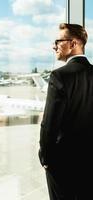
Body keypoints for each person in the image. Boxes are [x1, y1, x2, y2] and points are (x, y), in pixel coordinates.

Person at [39, 23, 93, 200]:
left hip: (63, 164)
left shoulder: (59, 76)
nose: (54, 46)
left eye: (58, 41)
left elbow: (49, 124)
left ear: (73, 43)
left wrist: (46, 158)